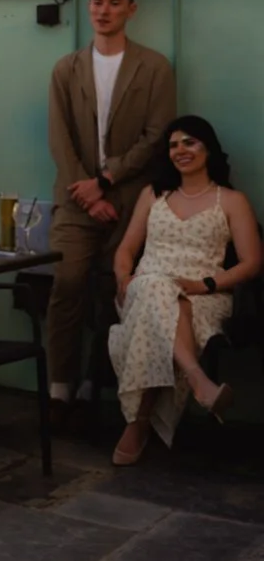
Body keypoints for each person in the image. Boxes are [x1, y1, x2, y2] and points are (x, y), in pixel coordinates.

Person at [45, 0, 176, 428]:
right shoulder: (66, 68)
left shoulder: (154, 67)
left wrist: (107, 180)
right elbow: (59, 139)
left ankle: (94, 387)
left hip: (129, 201)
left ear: (130, 10)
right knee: (66, 286)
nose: (103, 10)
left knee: (114, 294)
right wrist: (86, 191)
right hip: (76, 199)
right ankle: (58, 391)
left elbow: (158, 136)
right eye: (97, 2)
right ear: (88, 7)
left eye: (114, 3)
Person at [108, 116, 260, 465]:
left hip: (205, 296)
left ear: (208, 148)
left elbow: (251, 262)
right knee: (156, 288)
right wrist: (122, 279)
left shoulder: (232, 201)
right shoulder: (153, 195)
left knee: (161, 307)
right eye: (174, 145)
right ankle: (199, 381)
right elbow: (126, 250)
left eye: (190, 142)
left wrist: (203, 284)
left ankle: (138, 422)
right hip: (144, 287)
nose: (180, 150)